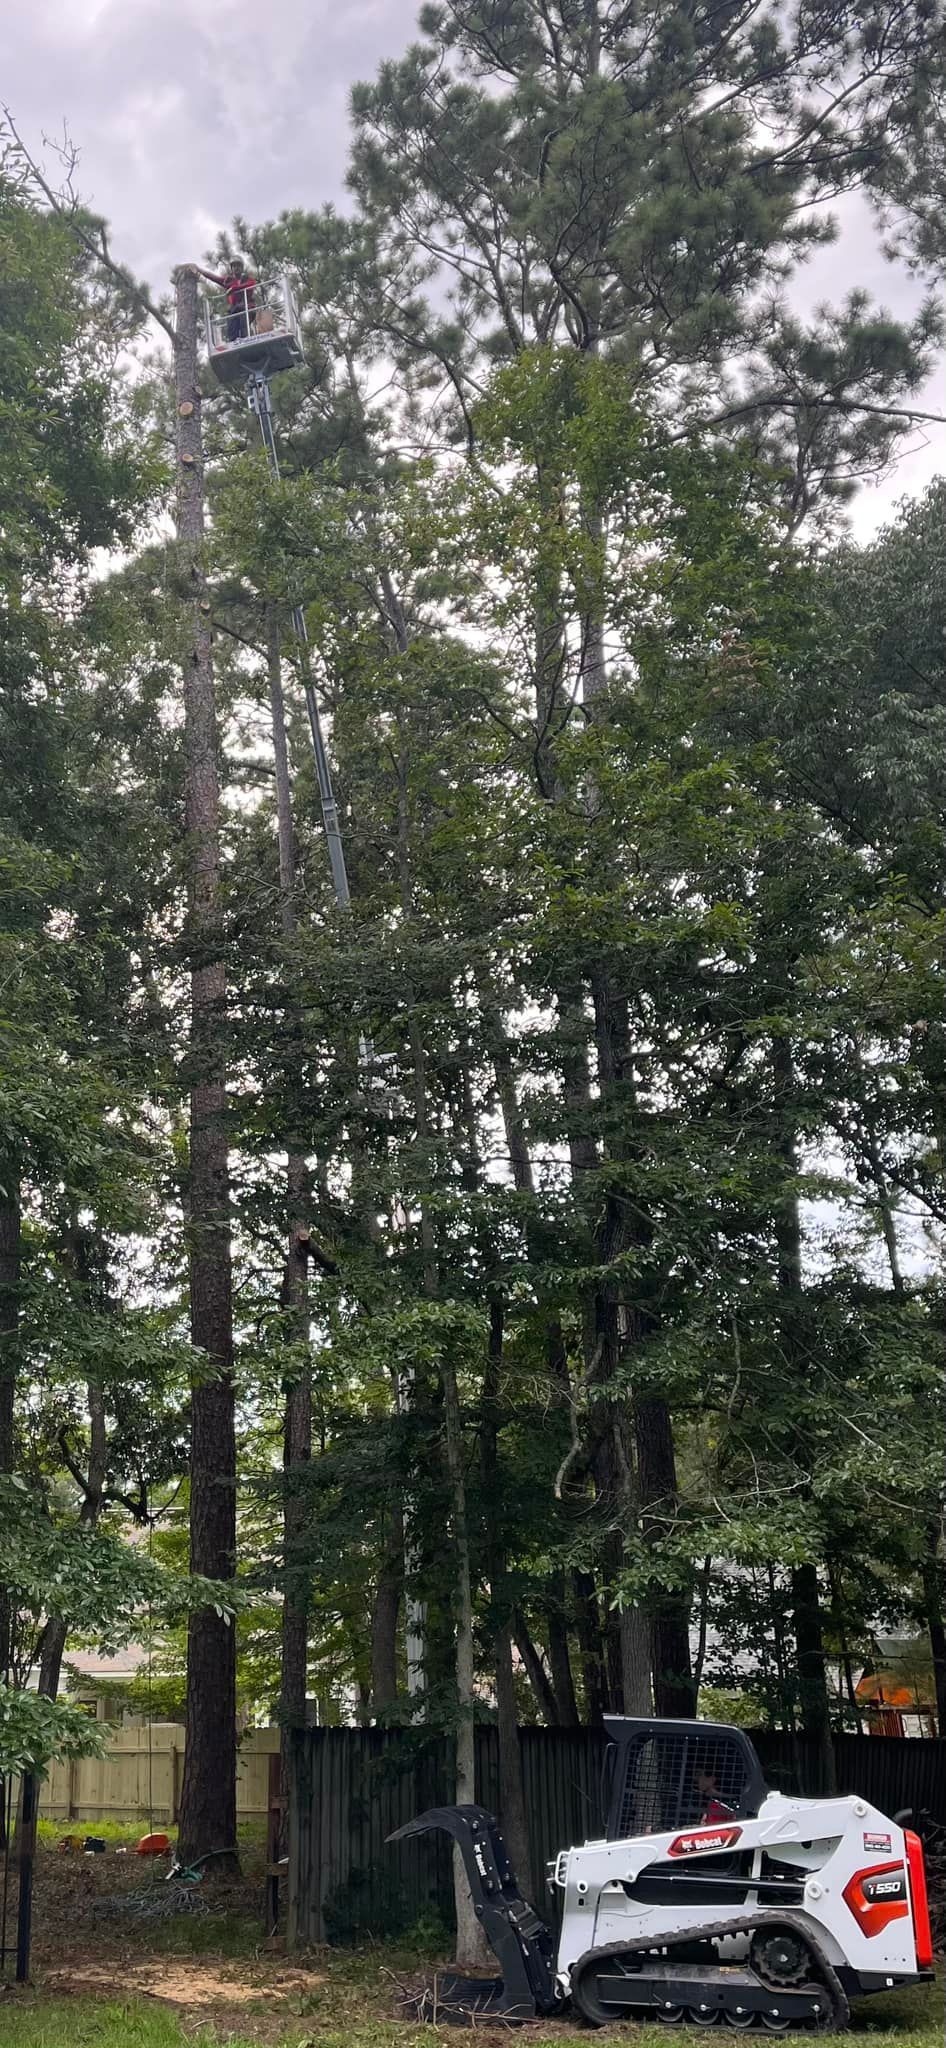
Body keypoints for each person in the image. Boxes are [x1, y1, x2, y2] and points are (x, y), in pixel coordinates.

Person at [196, 259, 257, 343]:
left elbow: (251, 284)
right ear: (231, 269)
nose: (236, 268)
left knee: (244, 323)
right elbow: (214, 278)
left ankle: (247, 339)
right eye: (234, 266)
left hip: (247, 307)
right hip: (235, 309)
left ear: (242, 268)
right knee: (232, 327)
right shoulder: (228, 281)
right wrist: (199, 269)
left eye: (238, 266)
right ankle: (234, 343)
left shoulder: (248, 279)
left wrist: (234, 288)